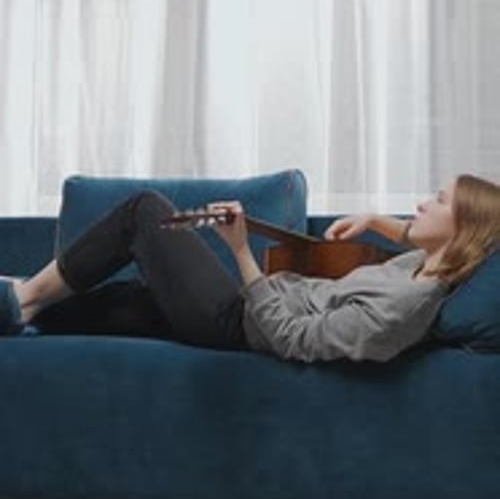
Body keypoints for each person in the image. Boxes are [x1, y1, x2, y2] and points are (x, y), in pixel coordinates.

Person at [0, 174, 499, 362]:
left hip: (239, 326)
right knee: (123, 303)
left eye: (437, 201)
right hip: (243, 314)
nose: (421, 204)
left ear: (465, 227)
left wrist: (239, 251)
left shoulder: (407, 306)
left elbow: (292, 340)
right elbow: (413, 235)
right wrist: (373, 220)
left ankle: (21, 297)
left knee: (144, 212)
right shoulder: (420, 265)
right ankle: (21, 313)